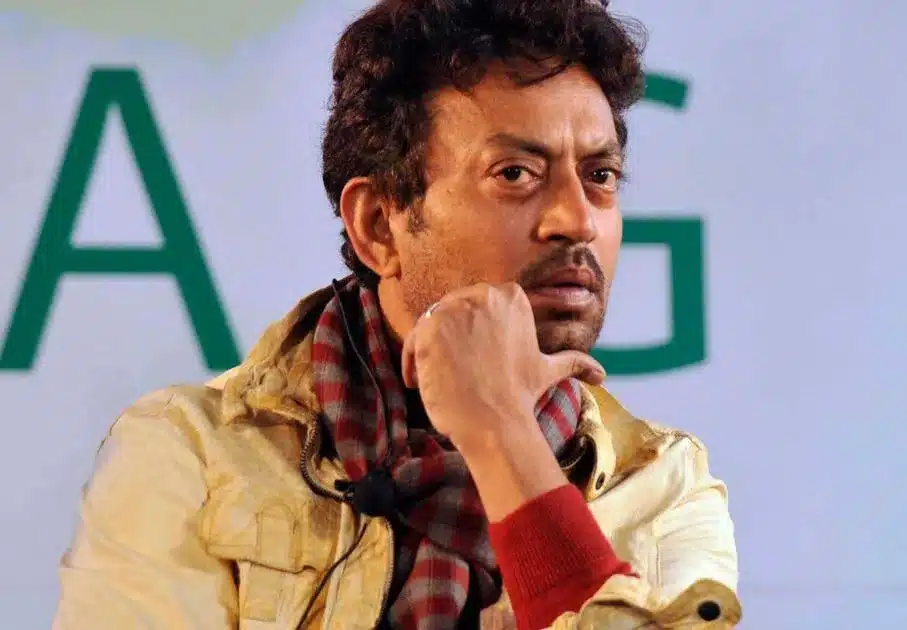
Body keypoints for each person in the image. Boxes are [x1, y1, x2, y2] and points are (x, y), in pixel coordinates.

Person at [52, 0, 740, 628]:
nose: (578, 220)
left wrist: (501, 434)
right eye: (515, 174)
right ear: (379, 225)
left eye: (600, 176)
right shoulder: (191, 454)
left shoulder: (664, 483)